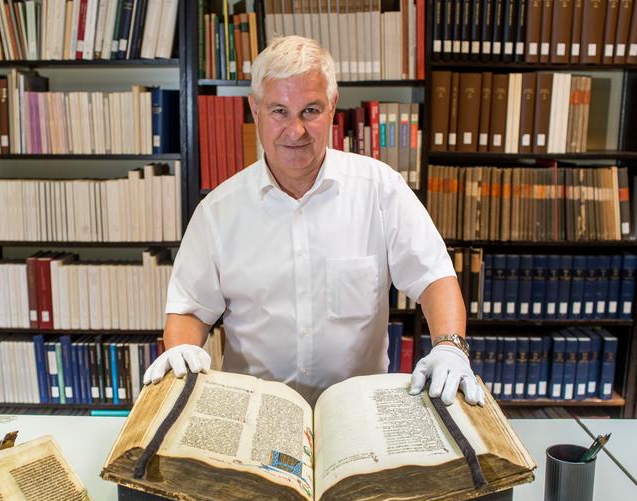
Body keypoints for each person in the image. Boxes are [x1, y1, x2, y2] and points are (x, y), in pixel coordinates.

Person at [142, 35, 484, 407]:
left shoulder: (380, 189)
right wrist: (181, 351)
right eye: (279, 112)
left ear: (333, 106)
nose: (296, 131)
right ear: (254, 109)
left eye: (310, 110)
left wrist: (451, 348)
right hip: (254, 410)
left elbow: (434, 276)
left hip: (357, 410)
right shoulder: (218, 211)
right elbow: (190, 309)